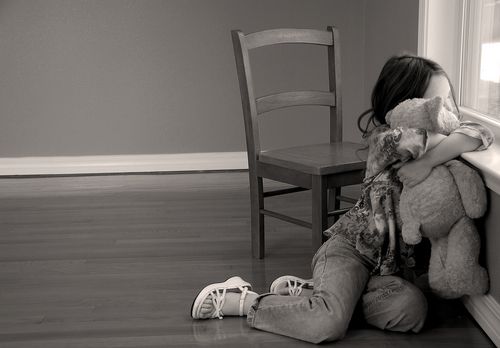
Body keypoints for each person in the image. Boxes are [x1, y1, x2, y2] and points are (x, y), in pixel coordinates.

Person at [190, 55, 494, 344]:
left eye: (451, 101)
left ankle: (316, 297)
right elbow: (434, 137)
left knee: (412, 311)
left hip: (390, 274)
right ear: (406, 106)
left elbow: (480, 132)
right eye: (437, 105)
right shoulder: (386, 142)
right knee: (327, 325)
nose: (449, 113)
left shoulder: (436, 151)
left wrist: (428, 162)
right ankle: (246, 300)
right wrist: (439, 150)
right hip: (351, 252)